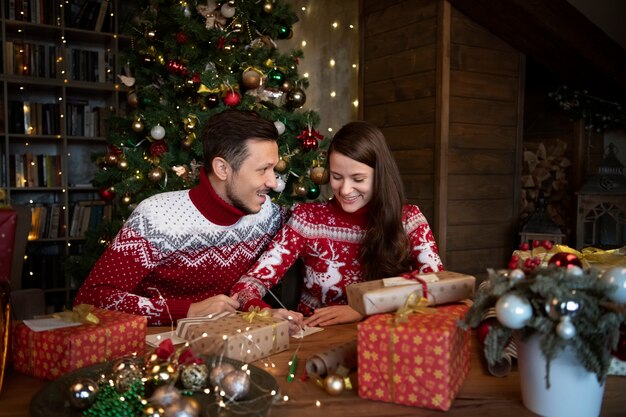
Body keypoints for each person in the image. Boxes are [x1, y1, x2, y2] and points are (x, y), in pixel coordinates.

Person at [74, 110, 300, 329]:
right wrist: (188, 310)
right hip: (158, 353)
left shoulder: (267, 214)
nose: (273, 182)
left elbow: (311, 223)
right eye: (263, 170)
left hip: (229, 347)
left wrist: (261, 312)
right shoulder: (157, 216)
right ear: (222, 168)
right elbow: (91, 300)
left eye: (274, 169)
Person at [231, 121, 443, 327]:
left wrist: (364, 307)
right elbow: (247, 286)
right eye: (337, 177)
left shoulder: (409, 220)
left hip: (386, 337)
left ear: (380, 176)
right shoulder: (308, 220)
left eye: (358, 179)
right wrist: (266, 313)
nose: (345, 190)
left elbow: (438, 285)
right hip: (316, 338)